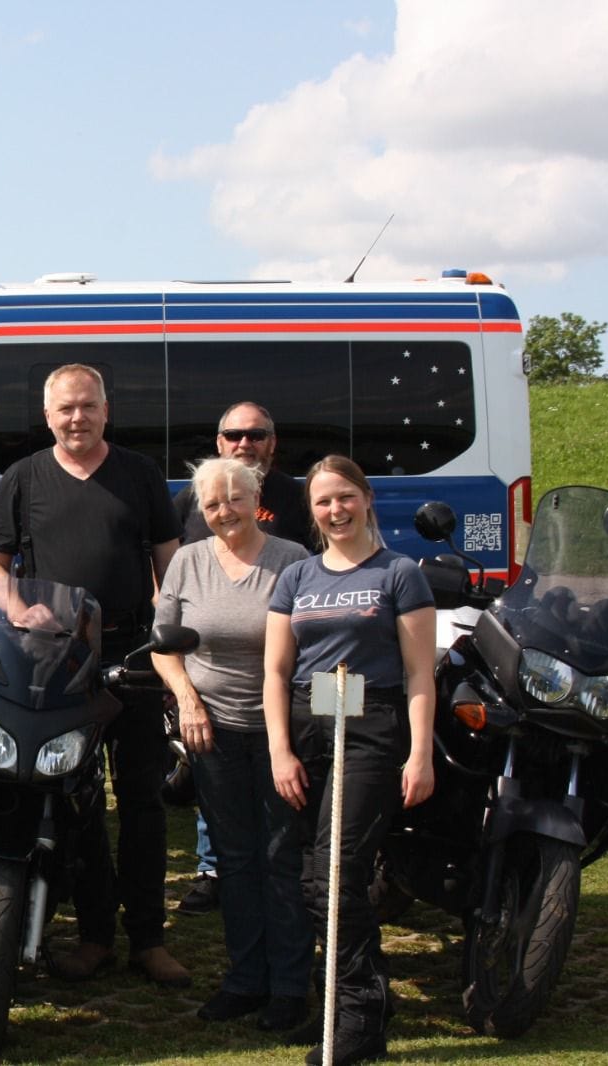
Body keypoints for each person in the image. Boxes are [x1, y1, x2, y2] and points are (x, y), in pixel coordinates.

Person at [0, 363, 189, 988]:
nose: (77, 418)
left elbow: (170, 567)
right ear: (48, 416)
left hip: (133, 653)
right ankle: (95, 934)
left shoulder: (140, 473)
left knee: (143, 799)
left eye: (88, 406)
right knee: (76, 798)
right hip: (56, 657)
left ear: (105, 409)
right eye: (65, 408)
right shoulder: (23, 477)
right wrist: (17, 607)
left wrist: (167, 639)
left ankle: (148, 939)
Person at [265, 455, 436, 1066]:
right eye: (323, 501)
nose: (335, 510)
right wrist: (280, 749)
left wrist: (420, 754)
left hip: (371, 725)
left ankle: (357, 1018)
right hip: (309, 724)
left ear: (366, 499)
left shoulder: (400, 574)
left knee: (337, 875)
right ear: (311, 511)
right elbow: (276, 671)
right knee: (315, 879)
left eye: (345, 497)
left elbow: (420, 674)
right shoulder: (297, 576)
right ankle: (363, 995)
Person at [151, 457, 312, 1033]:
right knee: (235, 858)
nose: (225, 511)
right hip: (211, 733)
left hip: (278, 734)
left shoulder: (292, 560)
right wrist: (187, 701)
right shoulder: (188, 561)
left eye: (235, 499)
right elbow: (163, 646)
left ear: (256, 499)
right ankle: (246, 980)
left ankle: (291, 986)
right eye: (212, 503)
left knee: (281, 856)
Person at [172, 401, 314, 916]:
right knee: (220, 797)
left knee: (282, 801)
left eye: (256, 435)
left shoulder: (297, 501)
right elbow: (168, 562)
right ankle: (215, 870)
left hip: (281, 682)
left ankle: (290, 885)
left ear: (272, 443)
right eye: (234, 434)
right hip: (214, 681)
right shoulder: (189, 500)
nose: (244, 443)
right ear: (218, 441)